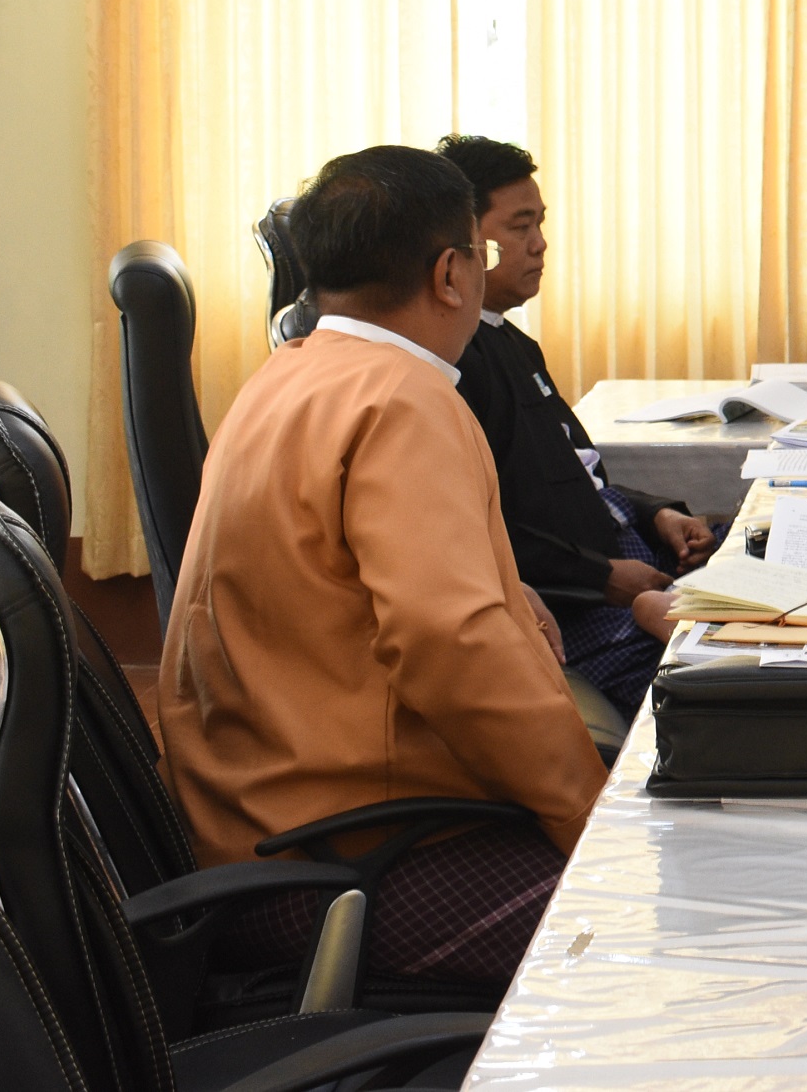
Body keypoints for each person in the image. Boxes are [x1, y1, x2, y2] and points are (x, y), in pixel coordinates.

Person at [160, 145, 606, 989]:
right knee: (654, 923)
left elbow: (344, 580)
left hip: (253, 829)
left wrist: (508, 592)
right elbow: (451, 643)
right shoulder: (404, 399)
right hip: (353, 862)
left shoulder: (284, 379)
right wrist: (594, 813)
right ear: (452, 273)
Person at [438, 134, 718, 716]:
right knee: (735, 691)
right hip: (585, 605)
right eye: (520, 227)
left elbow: (578, 473)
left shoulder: (515, 344)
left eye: (540, 224)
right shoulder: (456, 367)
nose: (540, 244)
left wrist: (658, 513)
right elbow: (481, 526)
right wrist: (601, 576)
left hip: (625, 559)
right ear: (466, 243)